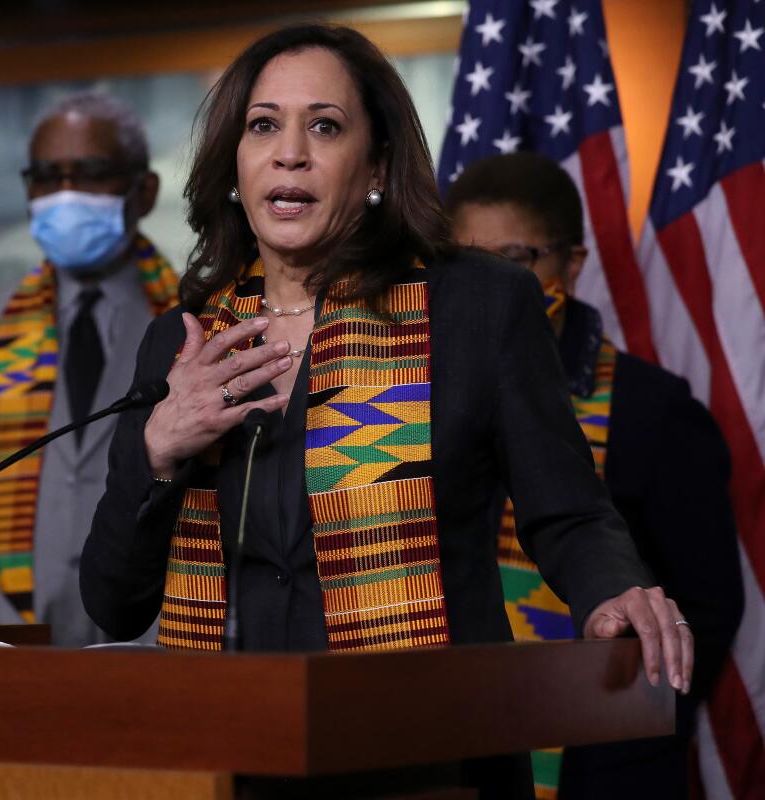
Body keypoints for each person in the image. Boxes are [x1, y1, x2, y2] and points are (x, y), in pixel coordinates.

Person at [80, 24, 694, 798]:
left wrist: (614, 591)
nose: (290, 151)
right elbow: (112, 600)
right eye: (263, 124)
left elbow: (569, 514)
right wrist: (158, 448)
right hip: (231, 761)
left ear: (375, 167)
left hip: (430, 760)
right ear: (235, 165)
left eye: (325, 126)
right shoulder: (188, 340)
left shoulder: (477, 309)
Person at [446, 152, 743, 800]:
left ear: (571, 265)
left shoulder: (656, 411)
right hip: (462, 742)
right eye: (470, 263)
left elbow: (710, 601)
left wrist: (636, 712)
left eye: (514, 260)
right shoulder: (430, 404)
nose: (492, 287)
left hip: (609, 759)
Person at [0, 91, 178, 647]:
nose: (66, 195)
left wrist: (145, 653)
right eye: (48, 177)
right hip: (5, 667)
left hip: (160, 662)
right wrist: (4, 650)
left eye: (91, 173)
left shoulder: (200, 328)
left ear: (143, 191)